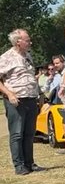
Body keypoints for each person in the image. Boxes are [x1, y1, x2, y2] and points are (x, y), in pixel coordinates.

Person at [0, 29, 44, 175]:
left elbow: (30, 77)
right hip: (16, 100)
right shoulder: (6, 57)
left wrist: (39, 94)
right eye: (27, 40)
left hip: (31, 99)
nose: (30, 42)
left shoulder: (27, 56)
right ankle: (19, 165)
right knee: (17, 133)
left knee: (29, 133)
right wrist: (9, 93)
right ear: (18, 42)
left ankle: (29, 163)